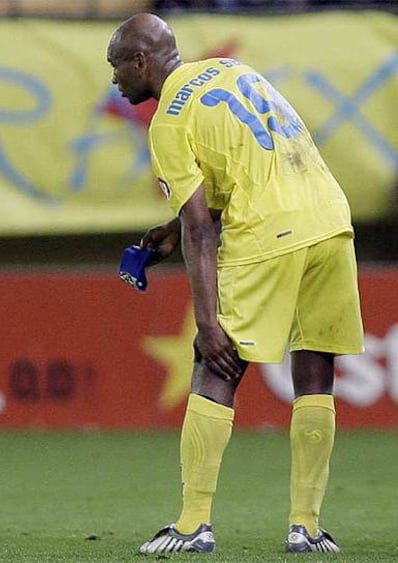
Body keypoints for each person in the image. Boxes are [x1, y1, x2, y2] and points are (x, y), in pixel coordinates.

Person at [107, 13, 364, 555]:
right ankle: (307, 529)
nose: (114, 81)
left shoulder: (167, 122)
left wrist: (206, 322)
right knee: (316, 367)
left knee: (216, 363)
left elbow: (202, 225)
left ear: (141, 62)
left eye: (116, 67)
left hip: (270, 230)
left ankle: (192, 524)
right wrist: (172, 230)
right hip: (330, 220)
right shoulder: (230, 68)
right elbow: (247, 163)